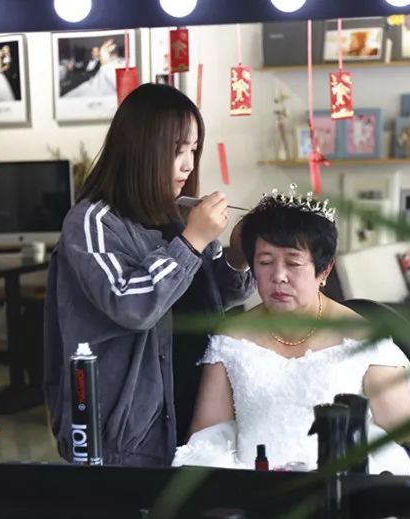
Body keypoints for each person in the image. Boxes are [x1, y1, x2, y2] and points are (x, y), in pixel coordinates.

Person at [43, 83, 255, 467]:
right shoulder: (92, 222)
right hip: (126, 436)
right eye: (177, 151)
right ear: (142, 150)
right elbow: (131, 304)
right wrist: (192, 241)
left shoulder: (181, 216)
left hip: (196, 416)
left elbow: (212, 297)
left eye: (193, 150)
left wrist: (238, 256)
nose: (188, 165)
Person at [172, 187, 410, 474]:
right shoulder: (230, 338)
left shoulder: (362, 336)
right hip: (251, 490)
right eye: (265, 262)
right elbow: (206, 439)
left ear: (324, 271)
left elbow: (408, 440)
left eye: (293, 263)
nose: (278, 276)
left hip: (341, 490)